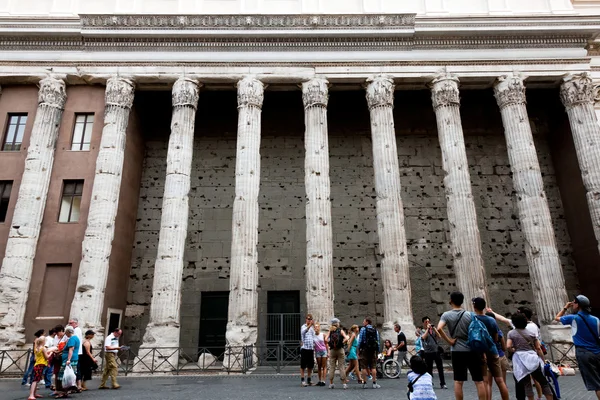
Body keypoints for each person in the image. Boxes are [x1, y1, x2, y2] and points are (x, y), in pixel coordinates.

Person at [436, 291, 486, 400]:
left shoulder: (446, 315)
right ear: (462, 301)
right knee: (479, 380)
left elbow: (439, 328)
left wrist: (449, 341)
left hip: (457, 350)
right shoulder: (471, 315)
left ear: (451, 301)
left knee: (458, 381)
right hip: (472, 349)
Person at [555, 295, 600, 399]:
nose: (572, 304)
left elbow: (556, 318)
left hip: (584, 353)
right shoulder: (596, 319)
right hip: (597, 351)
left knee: (596, 384)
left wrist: (565, 308)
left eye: (574, 302)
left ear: (578, 305)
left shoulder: (573, 318)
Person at [507, 313, 555, 400]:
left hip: (520, 360)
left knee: (526, 383)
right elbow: (538, 348)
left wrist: (514, 350)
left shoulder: (511, 333)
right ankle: (550, 398)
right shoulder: (531, 333)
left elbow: (508, 346)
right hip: (532, 358)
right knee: (543, 381)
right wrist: (543, 360)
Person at [472, 297, 509, 400]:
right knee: (500, 381)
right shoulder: (491, 320)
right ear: (484, 307)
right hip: (492, 351)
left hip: (480, 353)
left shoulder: (473, 319)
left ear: (474, 307)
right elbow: (496, 338)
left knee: (485, 382)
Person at [420, 316, 447, 389]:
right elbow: (423, 337)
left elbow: (439, 336)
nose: (428, 323)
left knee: (440, 368)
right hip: (428, 353)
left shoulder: (433, 330)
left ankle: (443, 383)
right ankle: (430, 383)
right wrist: (427, 329)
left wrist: (434, 328)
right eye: (426, 322)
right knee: (429, 369)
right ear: (423, 323)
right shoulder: (422, 331)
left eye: (428, 321)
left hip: (436, 351)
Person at [57, 326, 81, 398]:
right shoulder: (76, 338)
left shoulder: (72, 339)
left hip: (69, 359)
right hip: (74, 358)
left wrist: (68, 360)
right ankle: (66, 391)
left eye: (65, 332)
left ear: (68, 332)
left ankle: (63, 392)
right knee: (69, 375)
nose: (65, 334)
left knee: (63, 375)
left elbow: (71, 349)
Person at [357, 316, 381, 389]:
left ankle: (365, 383)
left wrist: (358, 350)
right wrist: (377, 351)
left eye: (364, 321)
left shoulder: (363, 329)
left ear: (367, 322)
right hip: (373, 350)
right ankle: (374, 383)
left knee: (364, 367)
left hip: (364, 350)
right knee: (373, 367)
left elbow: (360, 341)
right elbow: (378, 342)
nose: (363, 322)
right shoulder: (375, 330)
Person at [326, 317, 348, 389]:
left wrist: (330, 343)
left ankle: (331, 383)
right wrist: (342, 342)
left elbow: (326, 339)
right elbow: (347, 338)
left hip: (332, 350)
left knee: (332, 367)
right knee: (341, 366)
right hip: (340, 349)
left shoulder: (330, 331)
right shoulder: (340, 330)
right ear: (337, 323)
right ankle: (344, 383)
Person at [28, 335, 50, 400]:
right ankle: (31, 395)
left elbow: (35, 358)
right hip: (40, 365)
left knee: (36, 379)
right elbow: (47, 357)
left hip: (37, 364)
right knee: (35, 380)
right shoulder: (43, 348)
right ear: (44, 341)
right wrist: (51, 352)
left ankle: (34, 393)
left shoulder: (36, 348)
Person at [68, 318, 84, 390]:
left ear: (76, 323)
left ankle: (77, 385)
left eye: (71, 323)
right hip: (77, 352)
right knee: (76, 369)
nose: (69, 324)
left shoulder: (76, 330)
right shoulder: (76, 330)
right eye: (69, 323)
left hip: (76, 353)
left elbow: (74, 343)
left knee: (76, 369)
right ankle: (78, 385)